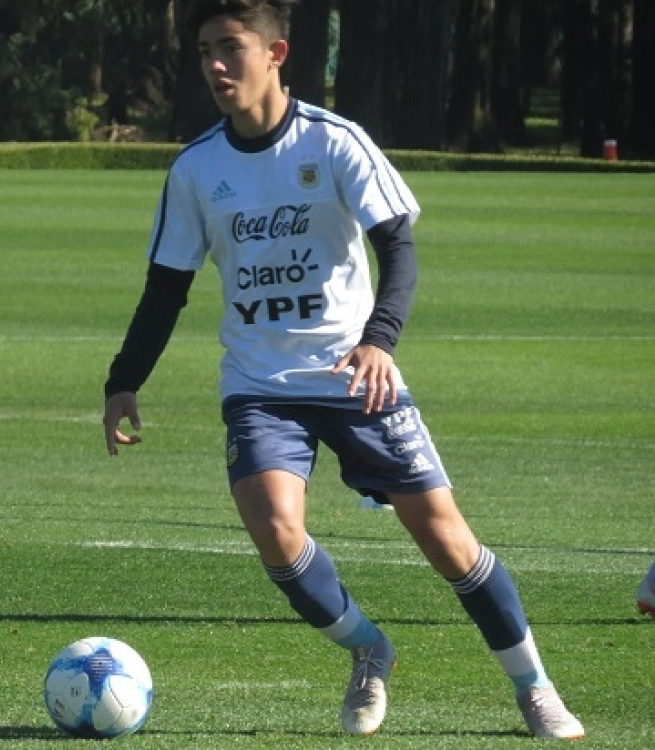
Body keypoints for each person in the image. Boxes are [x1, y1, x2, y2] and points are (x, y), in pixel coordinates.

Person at [102, 0, 584, 740]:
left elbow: (399, 247)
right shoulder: (197, 168)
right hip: (261, 387)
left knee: (447, 540)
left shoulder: (335, 142)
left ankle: (534, 687)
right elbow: (167, 287)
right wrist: (123, 380)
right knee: (274, 527)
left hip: (356, 377)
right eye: (203, 51)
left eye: (230, 47)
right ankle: (369, 649)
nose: (215, 65)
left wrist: (380, 341)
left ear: (276, 53)